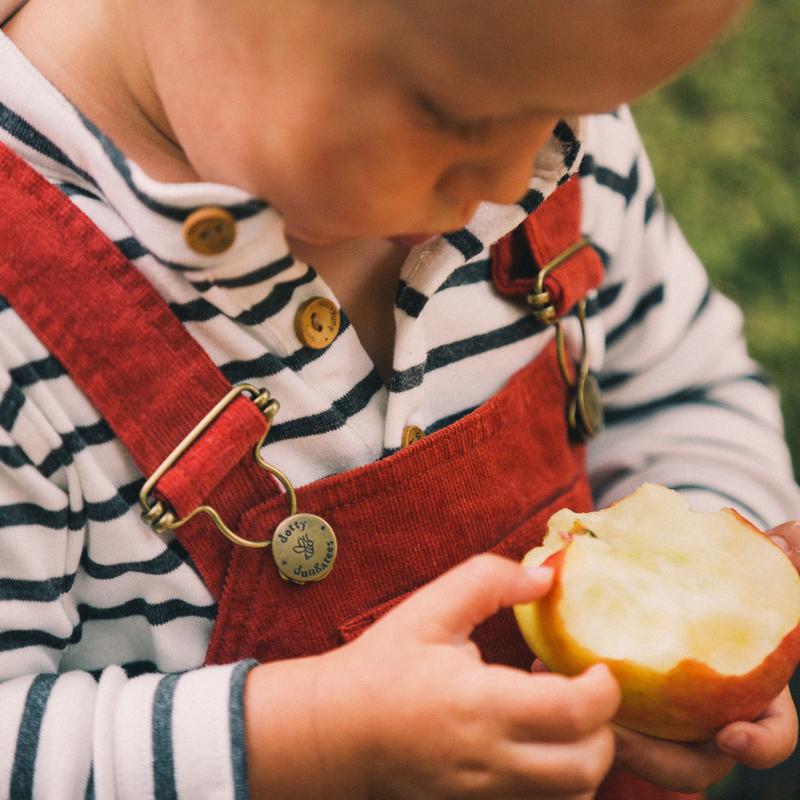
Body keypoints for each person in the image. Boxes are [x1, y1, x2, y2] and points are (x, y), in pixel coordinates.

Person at [0, 0, 798, 798]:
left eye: (568, 108)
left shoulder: (546, 127)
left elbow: (682, 391)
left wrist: (697, 617)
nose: (515, 178)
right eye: (449, 114)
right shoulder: (18, 324)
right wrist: (302, 739)